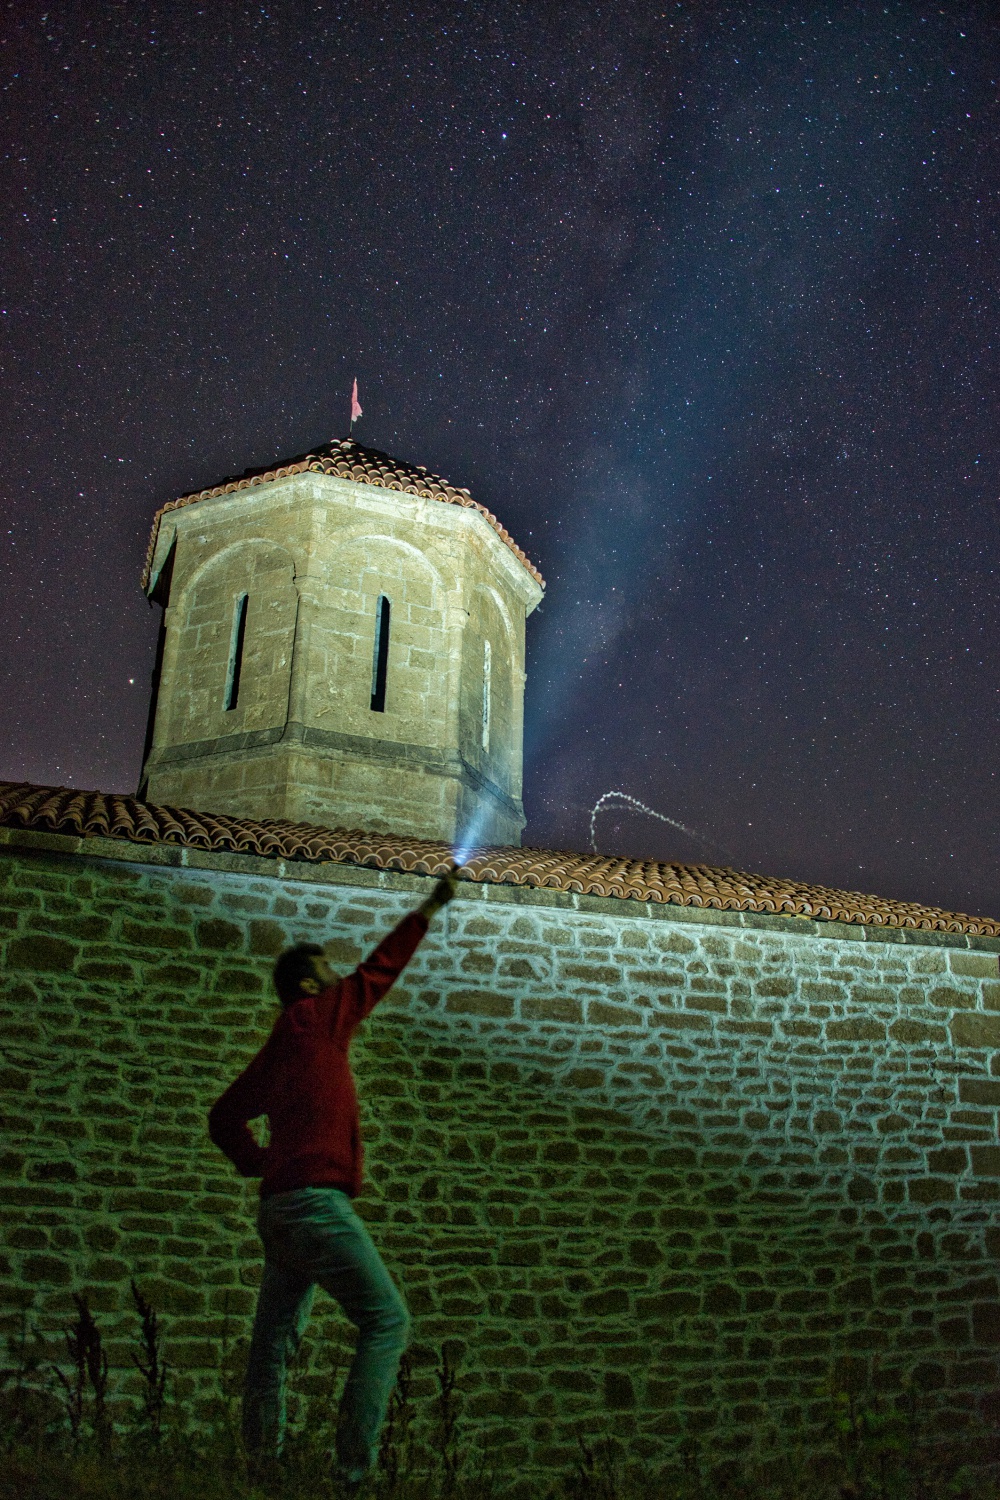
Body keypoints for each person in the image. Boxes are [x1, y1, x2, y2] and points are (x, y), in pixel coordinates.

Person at [208, 871, 458, 1487]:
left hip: (279, 1213)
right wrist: (429, 907)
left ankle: (261, 1461)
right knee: (387, 1321)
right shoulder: (320, 1015)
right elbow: (379, 970)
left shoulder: (279, 1046)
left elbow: (224, 1116)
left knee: (272, 1341)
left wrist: (262, 1162)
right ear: (307, 984)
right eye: (325, 969)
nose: (336, 975)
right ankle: (351, 1472)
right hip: (316, 1207)